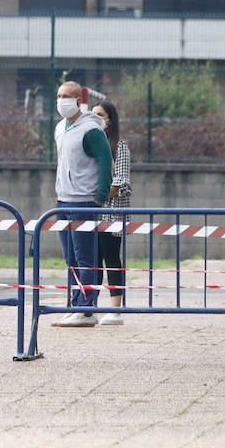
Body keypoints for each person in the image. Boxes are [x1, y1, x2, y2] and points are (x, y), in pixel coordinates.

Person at [51, 81, 113, 327]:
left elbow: (105, 163)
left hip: (83, 202)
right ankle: (76, 303)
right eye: (58, 95)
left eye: (66, 96)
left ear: (78, 100)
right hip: (63, 201)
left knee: (85, 257)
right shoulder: (60, 128)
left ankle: (87, 308)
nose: (61, 100)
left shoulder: (91, 131)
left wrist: (98, 199)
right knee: (70, 258)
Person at [93, 100, 131, 326]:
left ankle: (114, 310)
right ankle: (89, 307)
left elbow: (121, 182)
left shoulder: (120, 146)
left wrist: (96, 198)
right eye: (93, 113)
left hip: (111, 213)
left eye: (100, 114)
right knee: (92, 261)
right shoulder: (91, 142)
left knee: (111, 258)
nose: (96, 117)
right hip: (91, 214)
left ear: (110, 118)